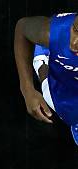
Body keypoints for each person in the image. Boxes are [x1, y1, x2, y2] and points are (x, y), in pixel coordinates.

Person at [14, 12, 78, 146]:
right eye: (75, 29)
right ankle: (41, 61)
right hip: (60, 94)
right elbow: (22, 28)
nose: (73, 43)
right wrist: (27, 90)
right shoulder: (57, 32)